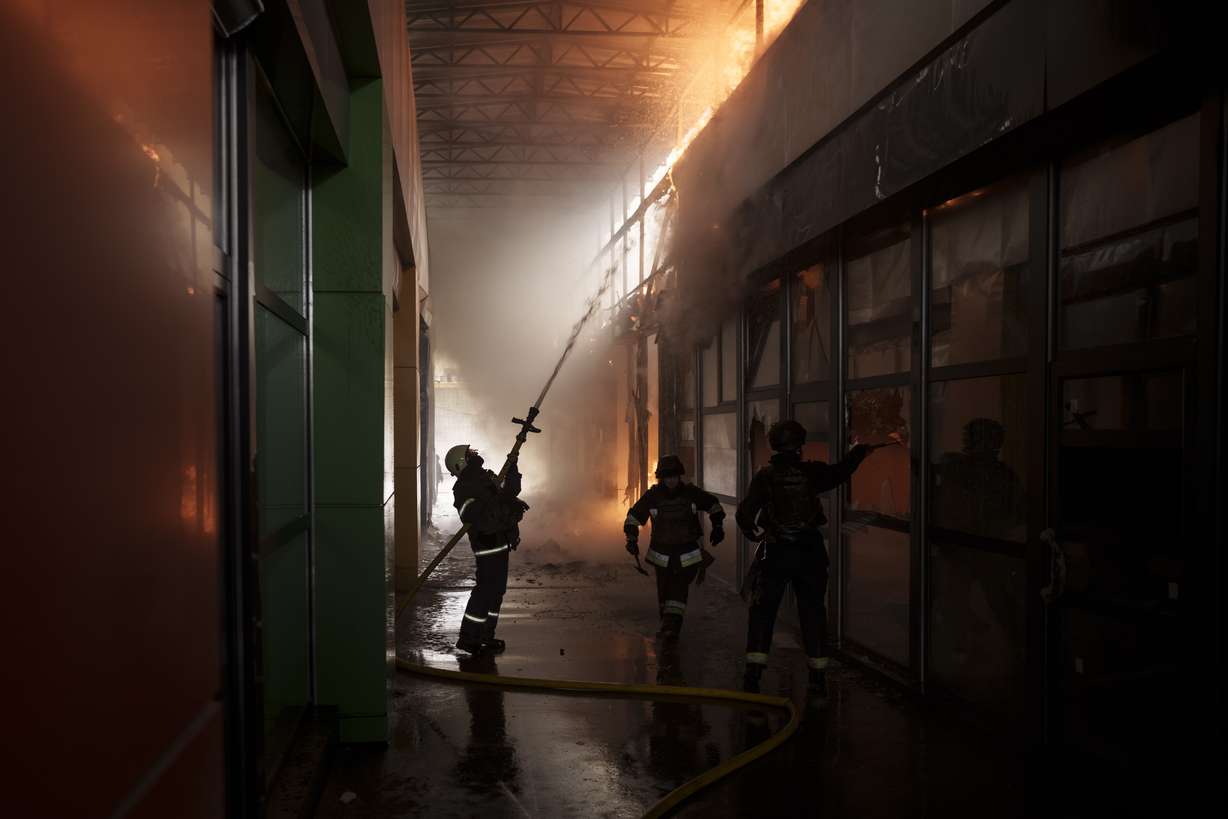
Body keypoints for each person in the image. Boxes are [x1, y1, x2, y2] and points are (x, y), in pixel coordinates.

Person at [735, 420, 871, 695]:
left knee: (763, 611)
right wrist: (859, 452)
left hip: (776, 554)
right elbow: (841, 472)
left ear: (774, 445)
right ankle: (818, 675)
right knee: (812, 611)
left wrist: (754, 533)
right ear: (799, 445)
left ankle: (754, 673)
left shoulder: (765, 476)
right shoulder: (813, 473)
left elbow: (745, 514)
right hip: (810, 553)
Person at [624, 455, 725, 648]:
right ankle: (667, 624)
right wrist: (631, 539)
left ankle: (672, 629)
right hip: (661, 556)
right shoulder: (652, 496)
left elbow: (714, 505)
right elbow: (633, 517)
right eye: (667, 477)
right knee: (664, 593)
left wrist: (718, 526)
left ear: (680, 477)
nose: (671, 481)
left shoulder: (691, 494)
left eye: (675, 477)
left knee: (678, 591)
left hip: (687, 556)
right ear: (661, 478)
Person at [445, 443, 528, 655]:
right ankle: (468, 638)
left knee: (496, 592)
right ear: (461, 463)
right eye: (469, 454)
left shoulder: (484, 478)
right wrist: (509, 510)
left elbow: (510, 492)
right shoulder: (464, 489)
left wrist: (512, 468)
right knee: (485, 591)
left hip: (500, 542)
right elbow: (482, 518)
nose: (474, 455)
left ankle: (485, 635)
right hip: (488, 544)